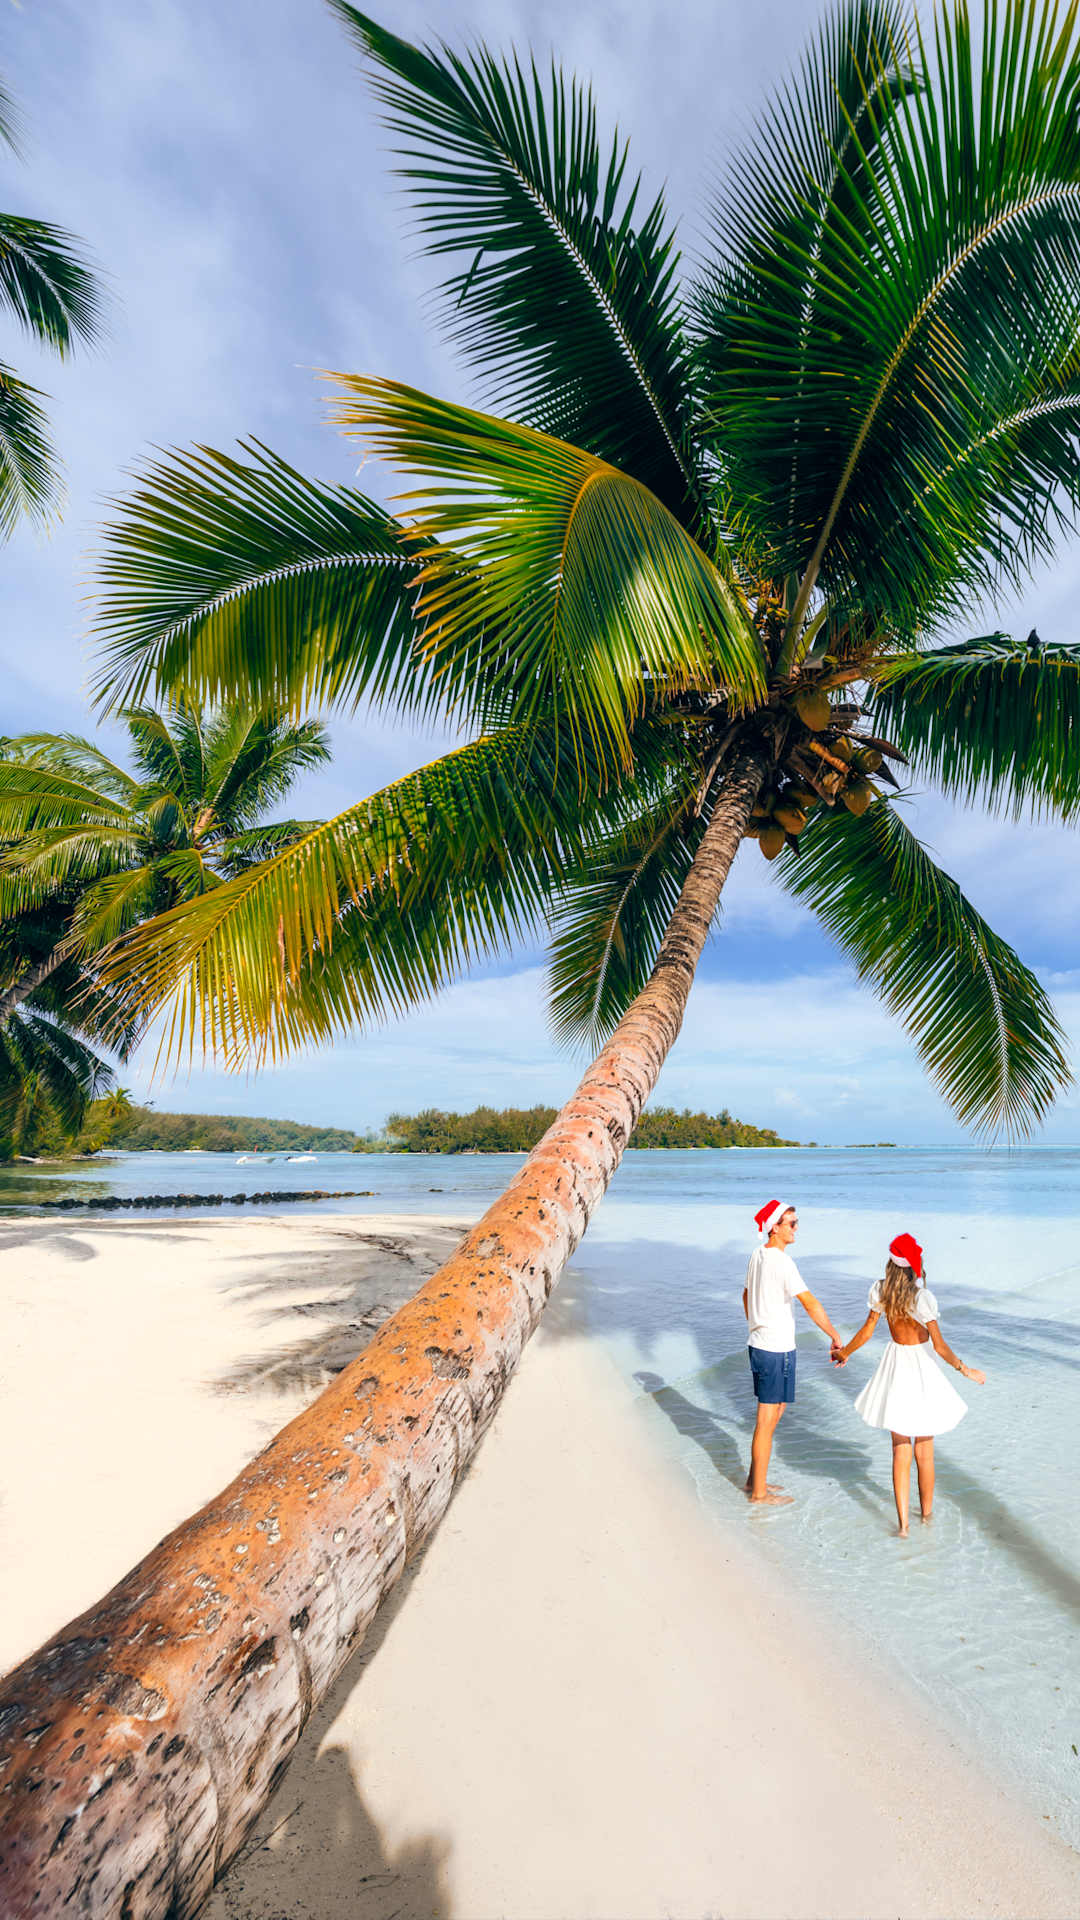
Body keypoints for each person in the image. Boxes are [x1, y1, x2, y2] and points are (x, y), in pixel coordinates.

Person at [836, 1232, 986, 1536]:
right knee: (924, 1451)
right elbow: (940, 1346)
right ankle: (926, 1518)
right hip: (921, 1368)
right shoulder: (922, 1297)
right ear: (914, 1266)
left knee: (899, 1450)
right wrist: (964, 1369)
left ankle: (903, 1525)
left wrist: (845, 1352)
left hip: (894, 1366)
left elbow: (866, 1331)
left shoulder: (879, 1290)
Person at [743, 1199, 845, 1507]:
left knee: (777, 1412)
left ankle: (753, 1481)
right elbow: (810, 1303)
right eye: (792, 1223)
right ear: (775, 1228)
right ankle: (759, 1495)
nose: (796, 1227)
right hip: (773, 1348)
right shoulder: (782, 1263)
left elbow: (746, 1294)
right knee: (766, 1420)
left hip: (769, 1345)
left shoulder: (757, 1255)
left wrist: (754, 1323)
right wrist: (835, 1335)